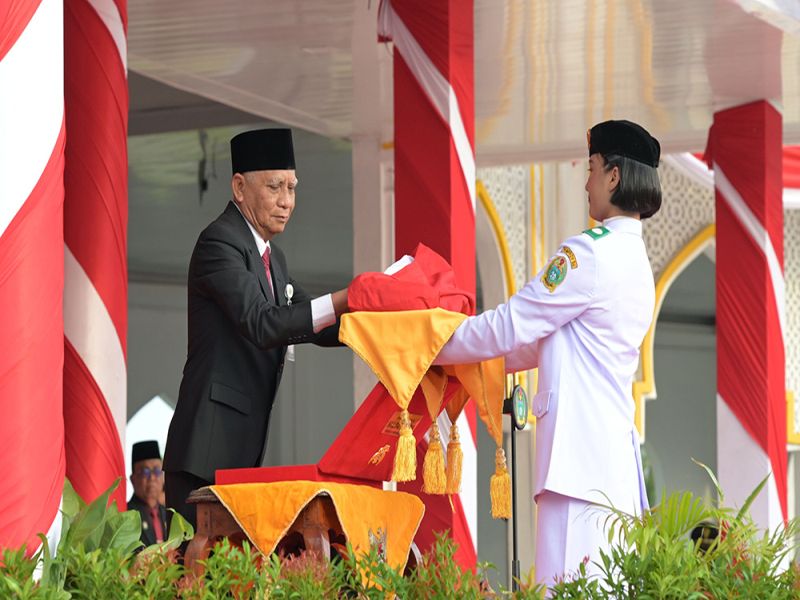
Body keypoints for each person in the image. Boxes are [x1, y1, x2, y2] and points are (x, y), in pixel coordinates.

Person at [433, 120, 662, 586]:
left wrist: (431, 345)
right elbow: (541, 343)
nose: (587, 181)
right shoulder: (636, 261)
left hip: (576, 471)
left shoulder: (588, 255)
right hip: (610, 469)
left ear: (614, 176)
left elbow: (513, 323)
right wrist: (460, 357)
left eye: (593, 168)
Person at [164, 128, 349, 529]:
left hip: (237, 456)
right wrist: (347, 297)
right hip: (204, 456)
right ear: (239, 186)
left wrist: (378, 324)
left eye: (293, 188)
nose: (287, 202)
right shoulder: (220, 242)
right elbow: (264, 323)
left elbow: (313, 322)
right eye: (275, 187)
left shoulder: (272, 258)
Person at [128, 440, 169, 546]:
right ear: (133, 479)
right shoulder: (126, 514)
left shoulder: (168, 514)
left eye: (157, 471)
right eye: (145, 472)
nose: (152, 478)